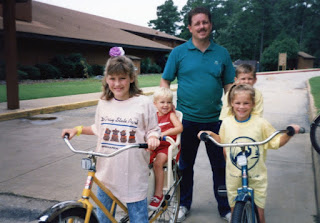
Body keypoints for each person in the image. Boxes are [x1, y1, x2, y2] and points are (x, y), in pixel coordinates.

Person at [61, 47, 161, 223]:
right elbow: (99, 129)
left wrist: (153, 137)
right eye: (112, 78)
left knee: (138, 217)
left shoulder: (143, 103)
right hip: (106, 170)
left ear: (131, 78)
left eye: (122, 78)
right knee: (103, 217)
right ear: (106, 79)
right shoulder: (104, 103)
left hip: (133, 172)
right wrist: (76, 130)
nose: (117, 84)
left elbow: (153, 129)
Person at [160, 6, 235, 222]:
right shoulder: (179, 53)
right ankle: (184, 204)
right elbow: (165, 79)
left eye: (205, 22)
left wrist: (231, 112)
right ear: (189, 28)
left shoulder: (222, 53)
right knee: (185, 166)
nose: (201, 27)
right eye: (197, 23)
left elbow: (229, 84)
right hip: (187, 121)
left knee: (219, 166)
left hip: (215, 121)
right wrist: (167, 104)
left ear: (210, 25)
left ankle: (225, 209)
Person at [198, 84, 301, 223]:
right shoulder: (227, 123)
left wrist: (289, 134)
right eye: (238, 103)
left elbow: (275, 142)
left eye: (246, 103)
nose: (241, 107)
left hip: (256, 174)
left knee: (260, 211)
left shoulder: (260, 123)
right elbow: (222, 140)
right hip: (233, 174)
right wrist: (209, 134)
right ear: (231, 104)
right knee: (234, 208)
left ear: (253, 104)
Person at [148, 87, 183, 210]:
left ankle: (158, 194)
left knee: (158, 163)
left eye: (168, 102)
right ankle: (144, 190)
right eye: (162, 102)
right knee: (140, 158)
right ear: (155, 104)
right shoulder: (153, 116)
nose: (166, 105)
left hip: (167, 146)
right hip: (155, 145)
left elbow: (179, 128)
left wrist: (164, 134)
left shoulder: (171, 115)